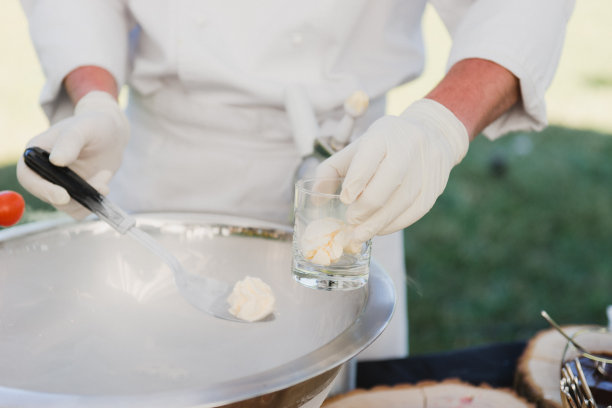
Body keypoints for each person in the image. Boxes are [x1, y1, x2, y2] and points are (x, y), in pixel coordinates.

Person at [17, 0, 574, 364]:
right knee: (149, 361)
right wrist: (94, 96)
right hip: (167, 162)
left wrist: (439, 125)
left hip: (350, 166)